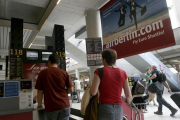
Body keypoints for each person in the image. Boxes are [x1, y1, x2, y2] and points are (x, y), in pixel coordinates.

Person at [90, 49, 132, 120]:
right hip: (118, 108)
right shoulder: (123, 73)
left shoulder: (99, 71)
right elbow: (128, 95)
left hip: (104, 107)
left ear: (104, 60)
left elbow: (93, 92)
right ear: (115, 59)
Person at [35, 54, 73, 120]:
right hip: (65, 105)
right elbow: (71, 90)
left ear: (49, 62)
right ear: (58, 63)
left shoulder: (42, 73)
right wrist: (62, 93)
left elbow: (40, 91)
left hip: (51, 107)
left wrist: (39, 105)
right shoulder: (64, 73)